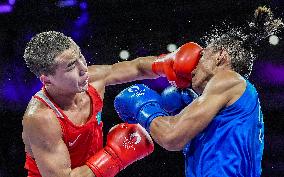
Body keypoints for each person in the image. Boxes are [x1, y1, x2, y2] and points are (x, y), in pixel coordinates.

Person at [114, 6, 283, 176]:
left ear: (220, 56)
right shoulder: (234, 99)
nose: (193, 65)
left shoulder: (229, 78)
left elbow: (171, 136)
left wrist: (144, 107)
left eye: (202, 56)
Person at [22, 30, 202, 177]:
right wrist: (114, 155)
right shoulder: (41, 118)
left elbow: (136, 67)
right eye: (70, 66)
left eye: (80, 56)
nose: (83, 68)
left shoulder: (91, 79)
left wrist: (166, 63)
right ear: (47, 80)